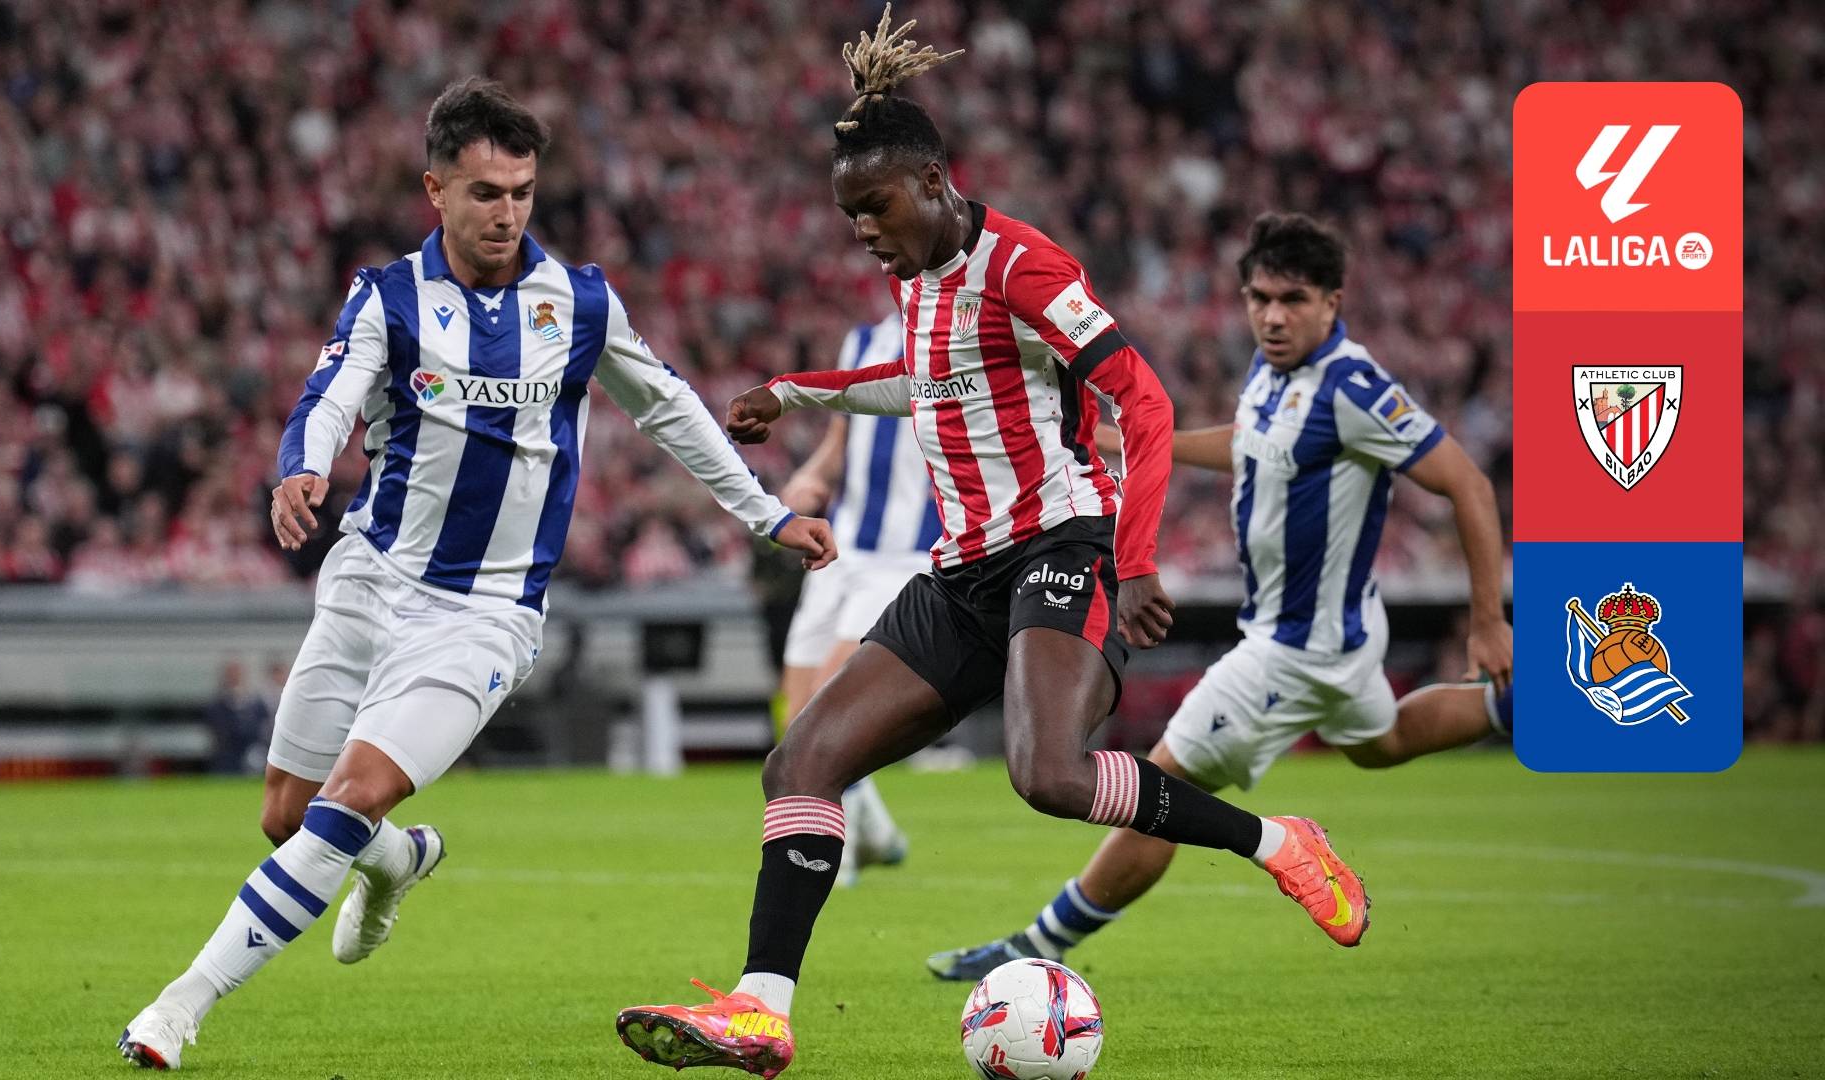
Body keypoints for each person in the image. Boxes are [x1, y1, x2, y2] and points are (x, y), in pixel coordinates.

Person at [614, 13, 1368, 1077]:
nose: (863, 232)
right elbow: (926, 382)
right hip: (963, 567)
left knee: (1048, 774)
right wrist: (797, 392)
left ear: (932, 181)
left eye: (875, 208)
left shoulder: (1025, 267)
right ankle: (761, 1011)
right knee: (802, 759)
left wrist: (1135, 557)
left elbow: (1145, 404)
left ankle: (1280, 843)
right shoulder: (915, 268)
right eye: (849, 215)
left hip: (1064, 540)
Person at [115, 77, 835, 1070]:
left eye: (522, 192)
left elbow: (668, 406)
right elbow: (329, 396)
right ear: (436, 190)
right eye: (486, 193)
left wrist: (768, 514)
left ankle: (176, 1009)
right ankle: (400, 860)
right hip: (370, 581)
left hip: (485, 615)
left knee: (343, 803)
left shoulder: (579, 302)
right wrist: (303, 467)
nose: (507, 213)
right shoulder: (388, 296)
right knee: (286, 816)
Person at [928, 212, 1513, 981]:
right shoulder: (1274, 372)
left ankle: (1036, 945)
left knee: (1158, 790)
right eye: (1259, 298)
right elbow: (1248, 445)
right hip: (1338, 629)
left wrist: (1487, 621)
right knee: (1382, 742)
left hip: (1292, 651)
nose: (1273, 316)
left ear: (1332, 303)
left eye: (1293, 300)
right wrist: (1131, 442)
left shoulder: (1352, 388)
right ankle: (1530, 704)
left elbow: (1468, 483)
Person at [775, 309, 938, 888]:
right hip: (841, 547)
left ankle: (831, 847)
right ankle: (874, 831)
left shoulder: (958, 335)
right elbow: (841, 437)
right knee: (796, 713)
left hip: (908, 554)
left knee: (830, 698)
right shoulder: (863, 340)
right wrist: (812, 477)